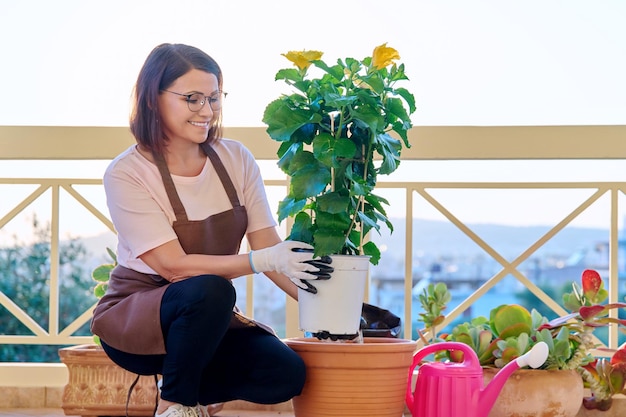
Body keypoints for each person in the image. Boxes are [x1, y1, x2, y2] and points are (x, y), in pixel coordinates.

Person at [91, 43, 332, 417]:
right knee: (208, 288)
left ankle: (192, 393)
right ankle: (175, 405)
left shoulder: (236, 158)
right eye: (192, 98)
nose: (207, 111)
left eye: (214, 98)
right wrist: (261, 259)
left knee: (285, 374)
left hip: (206, 320)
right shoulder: (127, 173)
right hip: (138, 316)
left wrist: (327, 309)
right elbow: (173, 267)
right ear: (153, 99)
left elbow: (268, 246)